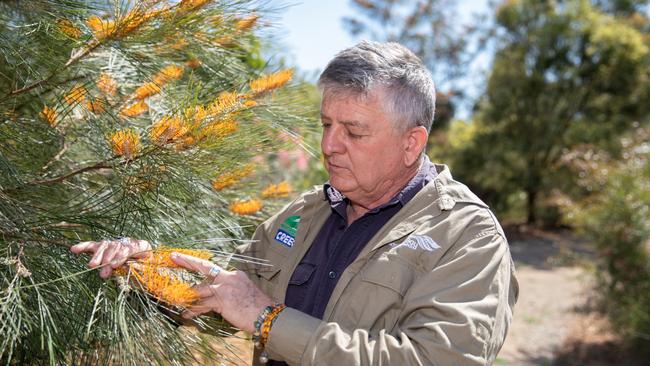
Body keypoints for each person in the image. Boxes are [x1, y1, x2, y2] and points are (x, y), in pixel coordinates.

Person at [72, 41, 518, 366]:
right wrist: (147, 271)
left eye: (353, 132)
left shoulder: (466, 236)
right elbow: (225, 295)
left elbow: (432, 360)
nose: (328, 145)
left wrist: (269, 321)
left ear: (411, 143)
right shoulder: (305, 212)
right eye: (326, 124)